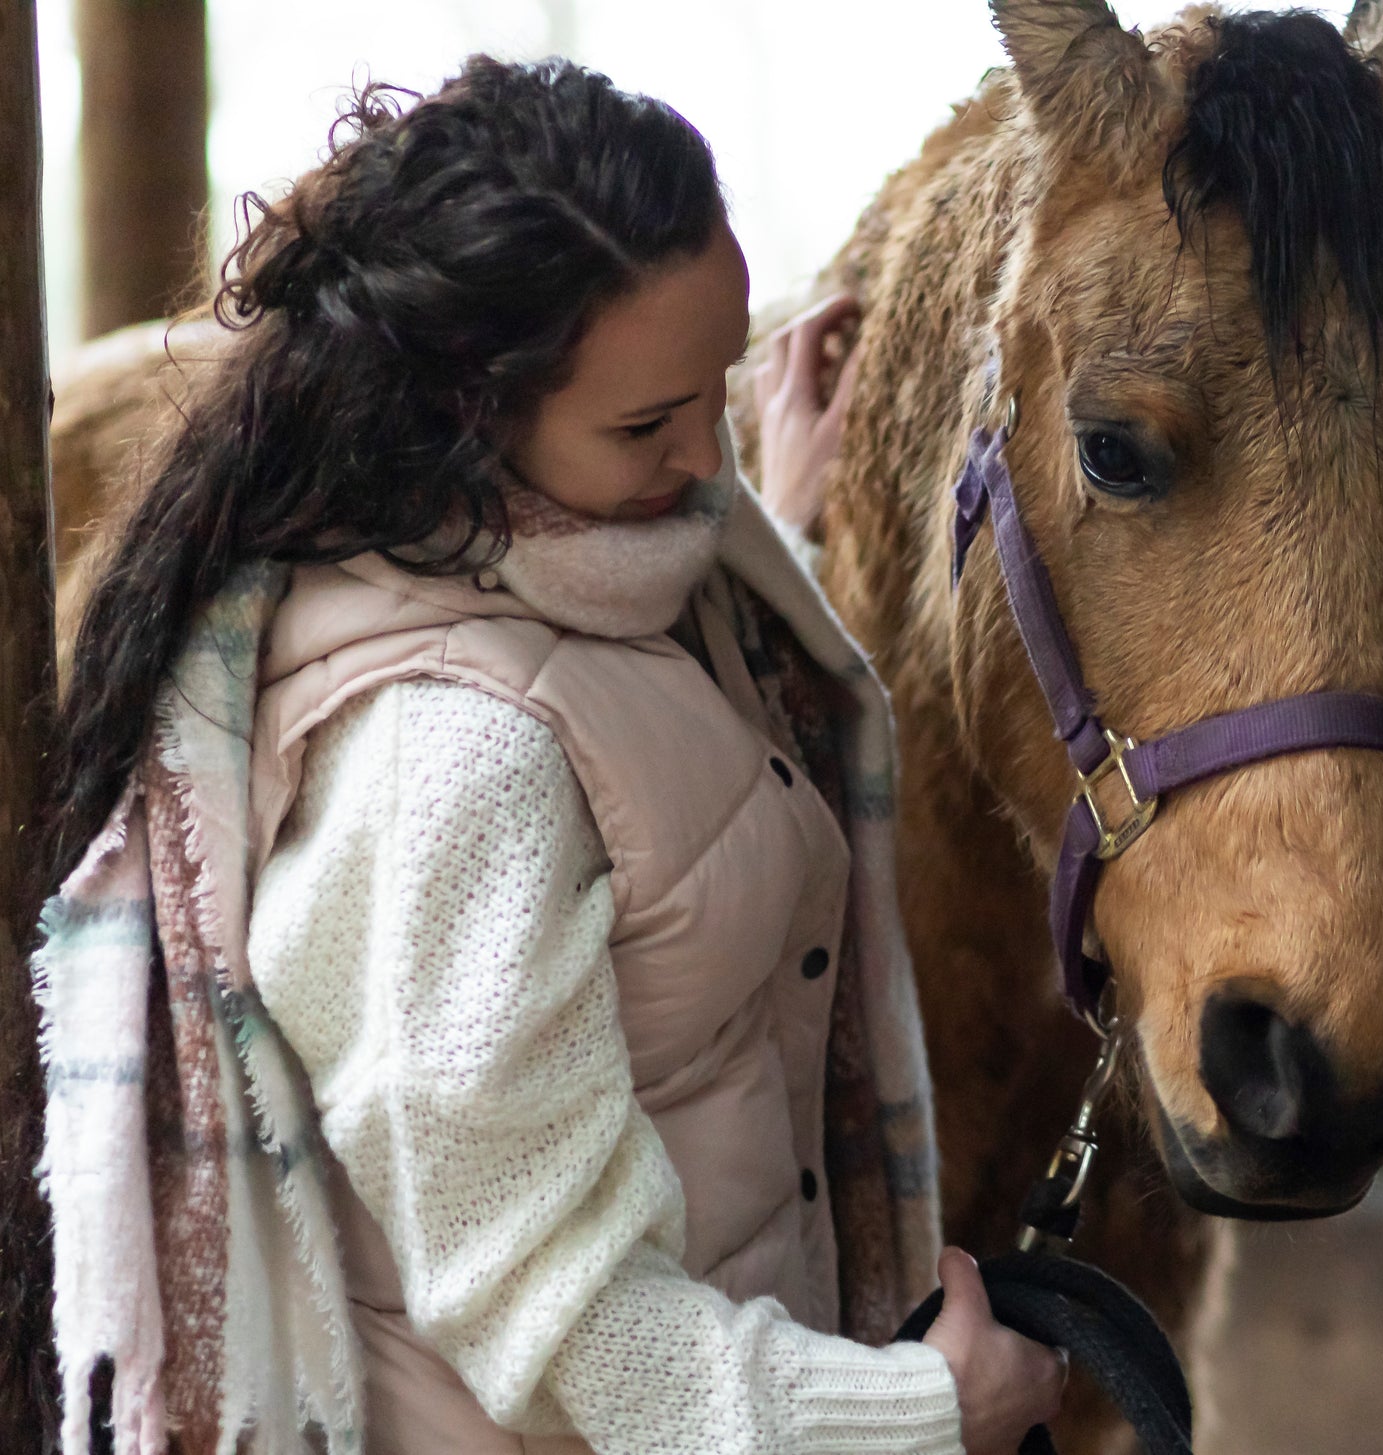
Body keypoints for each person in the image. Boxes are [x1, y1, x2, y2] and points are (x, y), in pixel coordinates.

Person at [37, 56, 1064, 1455]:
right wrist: (923, 1413)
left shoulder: (586, 560)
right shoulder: (447, 771)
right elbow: (571, 1333)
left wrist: (786, 526)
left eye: (719, 383)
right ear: (468, 415)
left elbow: (649, 797)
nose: (708, 457)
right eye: (649, 423)